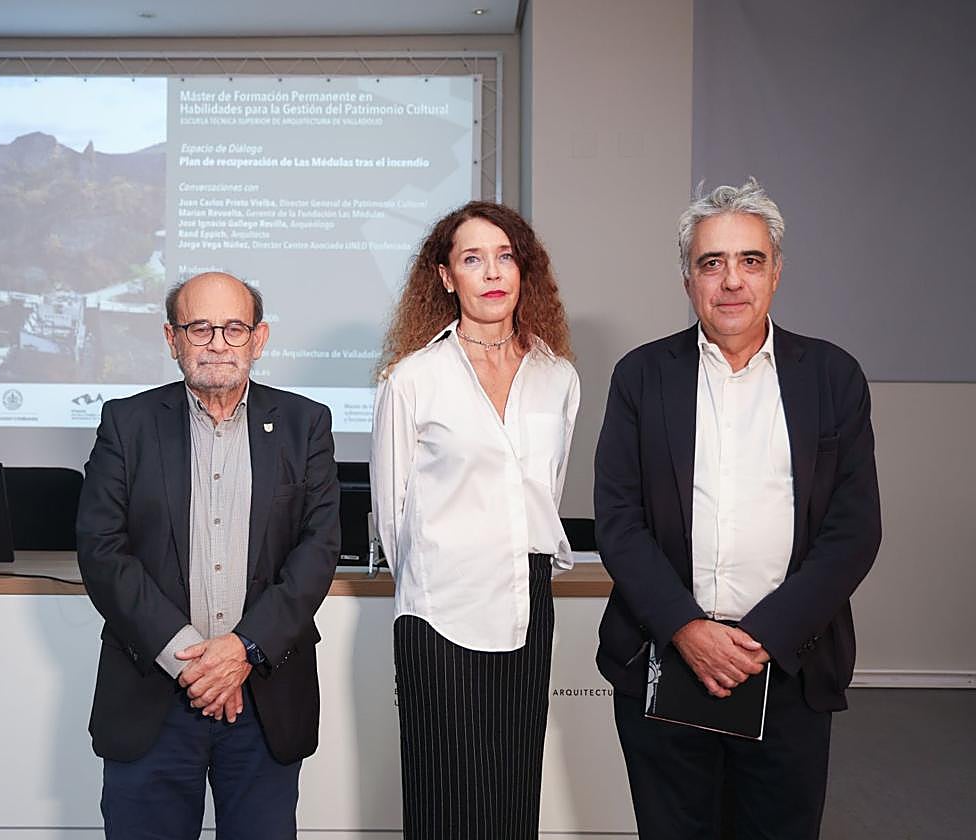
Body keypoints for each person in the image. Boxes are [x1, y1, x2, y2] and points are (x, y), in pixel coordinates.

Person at [594, 179, 881, 839]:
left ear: (776, 272)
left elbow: (853, 530)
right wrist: (689, 630)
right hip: (665, 664)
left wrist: (761, 639)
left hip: (788, 667)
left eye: (750, 260)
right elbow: (619, 520)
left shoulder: (832, 377)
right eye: (711, 262)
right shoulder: (642, 377)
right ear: (687, 278)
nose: (731, 281)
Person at [76, 272, 341, 839]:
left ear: (258, 339)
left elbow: (318, 550)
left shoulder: (305, 424)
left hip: (264, 696)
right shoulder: (127, 424)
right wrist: (195, 662)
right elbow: (102, 550)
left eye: (234, 328)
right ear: (172, 339)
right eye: (200, 328)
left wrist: (244, 650)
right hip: (154, 692)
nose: (217, 342)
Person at [371, 201, 580, 839]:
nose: (491, 272)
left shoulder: (559, 376)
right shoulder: (412, 379)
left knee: (514, 795)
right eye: (471, 258)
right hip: (438, 605)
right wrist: (444, 564)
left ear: (524, 270)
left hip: (526, 596)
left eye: (504, 256)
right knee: (442, 800)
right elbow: (391, 511)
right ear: (445, 277)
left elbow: (547, 490)